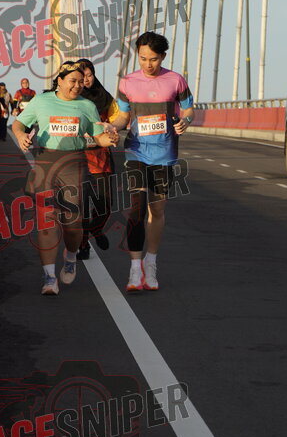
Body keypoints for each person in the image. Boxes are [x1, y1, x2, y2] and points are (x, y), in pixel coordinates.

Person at [12, 61, 118, 295]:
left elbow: (98, 137)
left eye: (81, 82)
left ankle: (70, 257)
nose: (77, 86)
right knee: (47, 221)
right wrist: (20, 136)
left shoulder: (87, 106)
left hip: (74, 165)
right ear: (59, 81)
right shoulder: (41, 101)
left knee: (72, 224)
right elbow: (19, 123)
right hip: (46, 163)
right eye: (72, 81)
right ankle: (49, 277)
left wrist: (109, 139)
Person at [111, 31, 194, 293]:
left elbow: (189, 109)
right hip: (136, 152)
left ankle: (151, 261)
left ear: (163, 57)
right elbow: (123, 117)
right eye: (143, 58)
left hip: (165, 154)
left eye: (154, 59)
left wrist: (185, 121)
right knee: (136, 209)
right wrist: (112, 127)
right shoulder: (127, 82)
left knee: (156, 210)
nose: (148, 64)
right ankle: (135, 268)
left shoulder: (176, 80)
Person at [77, 58, 121, 260]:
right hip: (78, 157)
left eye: (89, 75)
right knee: (83, 205)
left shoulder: (105, 97)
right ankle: (83, 245)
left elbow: (118, 119)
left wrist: (112, 130)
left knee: (105, 204)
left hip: (101, 157)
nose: (86, 80)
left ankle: (96, 229)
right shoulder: (70, 99)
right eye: (82, 76)